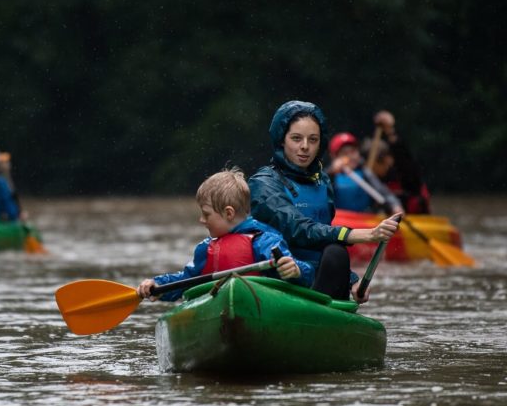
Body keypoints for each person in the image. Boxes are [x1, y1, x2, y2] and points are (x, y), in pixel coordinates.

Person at [249, 100, 400, 303]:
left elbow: (322, 241)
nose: (305, 147)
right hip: (279, 280)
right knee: (337, 248)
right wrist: (361, 234)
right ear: (281, 140)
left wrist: (352, 281)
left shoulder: (323, 182)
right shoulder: (263, 183)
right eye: (296, 138)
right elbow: (297, 228)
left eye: (313, 140)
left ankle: (324, 313)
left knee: (336, 253)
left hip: (316, 284)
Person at [138, 167, 313, 302]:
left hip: (262, 306)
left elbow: (307, 274)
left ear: (228, 213)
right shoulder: (205, 249)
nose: (201, 220)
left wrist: (296, 269)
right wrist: (158, 284)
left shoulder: (265, 241)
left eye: (206, 214)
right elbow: (186, 280)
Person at [365, 110, 432, 214]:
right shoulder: (367, 177)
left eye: (375, 165)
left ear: (387, 160)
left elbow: (402, 154)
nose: (370, 169)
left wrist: (390, 130)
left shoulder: (405, 173)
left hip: (413, 216)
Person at [327, 131, 403, 215]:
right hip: (340, 223)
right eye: (345, 153)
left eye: (353, 151)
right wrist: (331, 173)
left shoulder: (365, 172)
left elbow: (384, 193)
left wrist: (395, 205)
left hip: (363, 222)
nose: (351, 156)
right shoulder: (329, 176)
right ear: (335, 157)